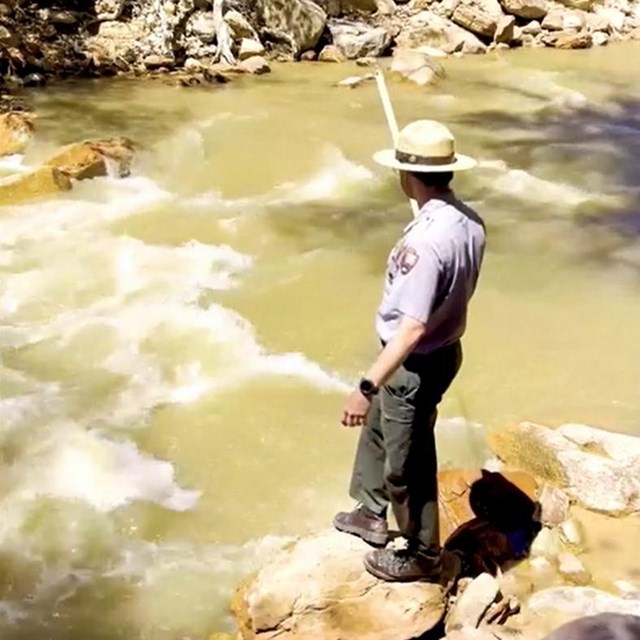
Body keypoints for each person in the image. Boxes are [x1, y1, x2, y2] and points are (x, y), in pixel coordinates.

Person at [333, 119, 486, 583]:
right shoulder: (467, 220)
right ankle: (370, 511)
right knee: (380, 431)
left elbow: (412, 327)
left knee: (409, 460)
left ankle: (423, 553)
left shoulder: (424, 241)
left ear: (405, 175)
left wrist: (366, 384)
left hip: (414, 361)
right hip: (445, 350)